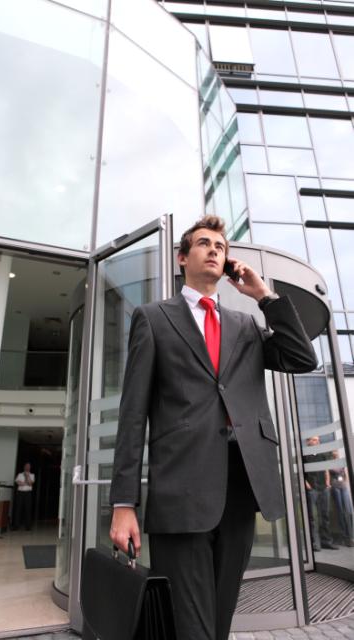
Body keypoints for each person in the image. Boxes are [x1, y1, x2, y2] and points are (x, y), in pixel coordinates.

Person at [109, 215, 317, 640]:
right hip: (181, 491)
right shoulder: (153, 319)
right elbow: (133, 414)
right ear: (183, 258)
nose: (214, 250)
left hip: (241, 488)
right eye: (204, 243)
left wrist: (264, 296)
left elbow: (302, 358)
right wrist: (123, 502)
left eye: (220, 246)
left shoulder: (246, 326)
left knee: (218, 623)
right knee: (190, 626)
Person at [303, 435, 338, 552]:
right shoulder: (304, 455)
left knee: (325, 516)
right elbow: (301, 472)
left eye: (318, 440)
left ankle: (326, 542)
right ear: (308, 442)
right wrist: (307, 485)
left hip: (323, 488)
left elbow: (326, 469)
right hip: (312, 489)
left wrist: (327, 482)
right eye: (314, 440)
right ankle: (314, 544)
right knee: (312, 518)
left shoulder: (322, 455)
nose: (317, 442)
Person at [330, 450, 354, 547]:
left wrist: (347, 483)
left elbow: (346, 474)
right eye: (334, 452)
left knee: (348, 511)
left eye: (336, 452)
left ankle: (351, 535)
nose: (336, 453)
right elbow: (329, 474)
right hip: (335, 487)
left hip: (344, 487)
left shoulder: (342, 462)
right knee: (340, 511)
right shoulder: (330, 463)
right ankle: (344, 536)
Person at [14, 462, 35, 531]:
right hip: (20, 493)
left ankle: (28, 526)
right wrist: (25, 483)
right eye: (26, 466)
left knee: (28, 509)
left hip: (28, 493)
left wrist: (27, 477)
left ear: (30, 468)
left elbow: (30, 483)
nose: (27, 467)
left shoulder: (32, 475)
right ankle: (16, 526)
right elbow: (18, 483)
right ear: (24, 467)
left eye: (29, 466)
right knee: (18, 509)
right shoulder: (20, 474)